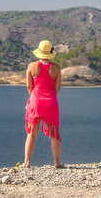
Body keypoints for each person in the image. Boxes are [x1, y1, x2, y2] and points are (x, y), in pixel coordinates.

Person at [20, 40, 64, 169]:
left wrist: (35, 96)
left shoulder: (32, 66)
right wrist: (49, 96)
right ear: (50, 53)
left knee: (32, 134)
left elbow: (29, 86)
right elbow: (58, 87)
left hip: (35, 101)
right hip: (51, 102)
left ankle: (26, 162)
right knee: (54, 135)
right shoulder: (56, 67)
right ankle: (57, 162)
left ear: (39, 52)